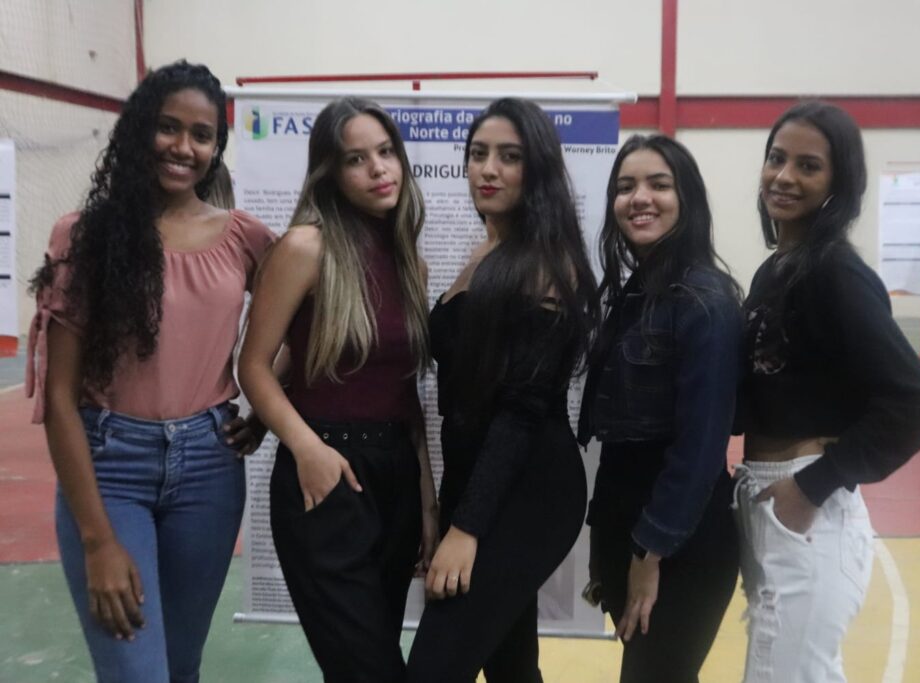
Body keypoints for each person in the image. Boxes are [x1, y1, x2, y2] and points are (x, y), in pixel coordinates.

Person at [26, 61, 275, 683]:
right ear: (139, 128)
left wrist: (267, 410)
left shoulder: (244, 238)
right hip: (110, 467)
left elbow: (303, 324)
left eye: (202, 135)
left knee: (181, 669)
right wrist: (97, 541)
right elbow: (60, 398)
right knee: (137, 673)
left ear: (216, 148)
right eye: (168, 127)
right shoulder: (84, 236)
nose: (183, 147)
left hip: (209, 470)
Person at [237, 97, 437, 683]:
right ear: (330, 171)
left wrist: (428, 503)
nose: (379, 168)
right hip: (325, 476)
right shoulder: (305, 247)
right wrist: (307, 448)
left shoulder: (409, 261)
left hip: (396, 477)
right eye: (356, 158)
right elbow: (253, 366)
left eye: (386, 151)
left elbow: (407, 394)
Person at [735, 101, 920, 683]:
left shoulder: (834, 272)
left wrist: (815, 484)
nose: (784, 176)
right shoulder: (779, 269)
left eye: (808, 166)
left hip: (807, 503)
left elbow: (910, 399)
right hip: (769, 496)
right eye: (776, 158)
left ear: (837, 183)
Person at [405, 98, 599, 683]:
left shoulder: (548, 265)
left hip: (530, 489)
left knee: (434, 668)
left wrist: (467, 529)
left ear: (536, 171)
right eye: (478, 154)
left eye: (509, 157)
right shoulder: (486, 251)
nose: (488, 169)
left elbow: (519, 412)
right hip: (480, 479)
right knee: (511, 666)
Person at [576, 134, 741, 683]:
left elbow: (700, 448)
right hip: (631, 521)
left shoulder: (704, 300)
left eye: (658, 184)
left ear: (685, 197)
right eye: (625, 187)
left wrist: (651, 555)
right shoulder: (639, 292)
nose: (639, 198)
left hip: (677, 539)